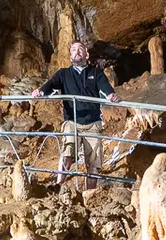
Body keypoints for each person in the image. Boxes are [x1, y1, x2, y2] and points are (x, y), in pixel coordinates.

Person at [32, 41, 120, 187]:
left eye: (80, 49)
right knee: (68, 152)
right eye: (73, 50)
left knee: (94, 161)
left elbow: (105, 87)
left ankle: (89, 195)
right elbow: (51, 84)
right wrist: (40, 91)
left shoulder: (96, 72)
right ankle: (60, 189)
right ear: (70, 56)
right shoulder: (63, 74)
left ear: (86, 54)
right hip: (72, 121)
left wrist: (111, 95)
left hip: (92, 122)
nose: (77, 51)